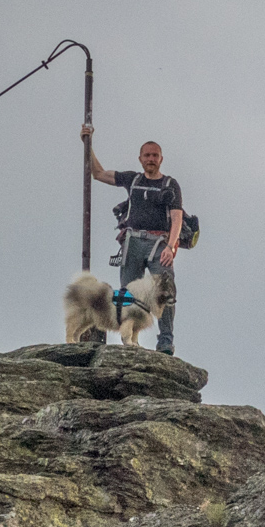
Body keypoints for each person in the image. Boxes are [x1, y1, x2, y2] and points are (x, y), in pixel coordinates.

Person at [79, 125, 182, 355]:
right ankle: (129, 339)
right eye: (147, 155)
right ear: (140, 158)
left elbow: (177, 217)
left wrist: (171, 246)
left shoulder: (170, 185)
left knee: (165, 293)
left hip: (159, 245)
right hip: (132, 243)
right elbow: (98, 174)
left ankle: (165, 342)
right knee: (127, 295)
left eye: (155, 155)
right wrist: (88, 143)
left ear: (161, 159)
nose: (151, 159)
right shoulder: (132, 180)